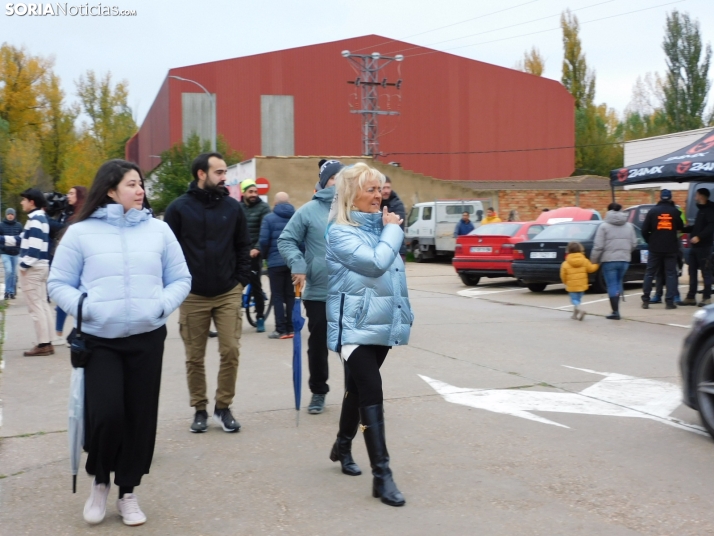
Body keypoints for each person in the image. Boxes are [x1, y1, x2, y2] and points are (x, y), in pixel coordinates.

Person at [48, 159, 191, 526]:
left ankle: (127, 491)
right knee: (107, 415)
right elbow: (57, 283)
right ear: (110, 189)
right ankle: (100, 480)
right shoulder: (81, 233)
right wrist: (85, 306)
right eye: (131, 184)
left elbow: (180, 278)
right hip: (101, 340)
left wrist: (160, 304)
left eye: (141, 183)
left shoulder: (159, 231)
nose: (140, 189)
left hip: (147, 338)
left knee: (139, 418)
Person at [325, 162, 413, 507]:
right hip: (353, 328)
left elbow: (392, 277)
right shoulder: (339, 232)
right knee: (371, 390)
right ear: (352, 194)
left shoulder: (382, 227)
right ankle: (383, 475)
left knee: (357, 389)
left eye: (380, 188)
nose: (379, 195)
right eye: (371, 189)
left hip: (382, 323)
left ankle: (342, 444)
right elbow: (376, 263)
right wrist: (393, 231)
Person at [164, 153, 252, 434]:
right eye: (219, 172)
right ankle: (200, 409)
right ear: (201, 174)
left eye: (225, 171)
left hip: (228, 292)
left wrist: (241, 281)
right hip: (192, 294)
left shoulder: (233, 208)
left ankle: (223, 407)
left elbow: (243, 246)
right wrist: (176, 285)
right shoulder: (178, 209)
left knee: (230, 350)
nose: (224, 177)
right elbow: (167, 251)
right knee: (194, 356)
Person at [278, 159, 343, 415]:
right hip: (319, 291)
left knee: (356, 347)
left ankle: (358, 393)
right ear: (325, 180)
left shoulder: (355, 208)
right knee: (318, 346)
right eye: (335, 177)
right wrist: (298, 264)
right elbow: (287, 240)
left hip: (352, 290)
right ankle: (318, 391)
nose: (340, 182)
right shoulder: (308, 210)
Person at [0, 189, 54, 356]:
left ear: (32, 202)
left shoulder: (36, 220)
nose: (22, 203)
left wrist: (23, 266)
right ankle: (48, 341)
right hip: (41, 267)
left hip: (34, 269)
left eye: (24, 200)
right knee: (42, 305)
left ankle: (43, 344)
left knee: (35, 307)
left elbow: (34, 249)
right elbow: (20, 239)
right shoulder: (39, 219)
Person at [51, 186, 87, 345]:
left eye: (72, 193)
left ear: (80, 196)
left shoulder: (82, 216)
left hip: (79, 261)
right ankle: (64, 334)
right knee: (65, 300)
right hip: (68, 260)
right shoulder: (68, 214)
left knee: (69, 301)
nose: (68, 196)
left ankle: (66, 334)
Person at [590, 203, 638, 320]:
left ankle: (615, 311)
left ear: (608, 211)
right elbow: (634, 244)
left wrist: (594, 260)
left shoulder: (603, 226)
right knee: (618, 282)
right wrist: (626, 252)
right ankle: (616, 308)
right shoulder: (629, 226)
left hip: (609, 260)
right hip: (624, 260)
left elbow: (598, 246)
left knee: (612, 284)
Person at [259, 192, 296, 339]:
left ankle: (280, 330)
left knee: (278, 296)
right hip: (292, 262)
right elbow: (302, 241)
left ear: (275, 203)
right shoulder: (296, 217)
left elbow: (263, 241)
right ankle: (291, 328)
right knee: (290, 296)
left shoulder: (269, 218)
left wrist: (265, 256)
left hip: (275, 263)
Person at [641, 189, 684, 310]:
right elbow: (680, 227)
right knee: (670, 274)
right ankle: (669, 302)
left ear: (660, 197)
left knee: (650, 273)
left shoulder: (652, 211)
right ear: (670, 198)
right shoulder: (675, 212)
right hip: (671, 247)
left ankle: (646, 300)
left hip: (655, 248)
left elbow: (644, 230)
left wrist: (650, 240)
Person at [239, 178, 271, 333]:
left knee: (256, 285)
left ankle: (259, 317)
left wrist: (257, 248)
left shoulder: (263, 208)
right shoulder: (237, 208)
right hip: (240, 252)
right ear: (243, 192)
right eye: (250, 191)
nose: (253, 194)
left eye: (255, 191)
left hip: (254, 254)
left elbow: (265, 231)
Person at [681, 188, 714, 306]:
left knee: (706, 271)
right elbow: (697, 227)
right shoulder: (701, 210)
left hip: (704, 247)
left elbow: (711, 227)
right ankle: (691, 297)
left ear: (701, 196)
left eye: (697, 194)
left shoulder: (710, 210)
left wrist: (699, 237)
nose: (695, 196)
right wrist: (684, 229)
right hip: (694, 247)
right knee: (692, 270)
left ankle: (707, 297)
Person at [560, 241, 599, 320]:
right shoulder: (585, 260)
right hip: (582, 285)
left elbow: (563, 275)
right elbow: (591, 269)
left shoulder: (565, 263)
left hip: (572, 286)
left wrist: (565, 282)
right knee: (578, 300)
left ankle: (580, 310)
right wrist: (597, 264)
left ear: (569, 250)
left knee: (574, 300)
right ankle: (575, 315)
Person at [380, 176, 407, 259]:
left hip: (397, 250)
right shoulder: (374, 203)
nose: (386, 191)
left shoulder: (397, 204)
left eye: (388, 187)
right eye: (383, 188)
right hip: (380, 249)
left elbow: (397, 225)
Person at [0, 208, 22, 300]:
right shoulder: (1, 226)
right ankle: (7, 291)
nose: (10, 215)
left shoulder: (19, 226)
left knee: (13, 273)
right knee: (8, 271)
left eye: (12, 214)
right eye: (8, 214)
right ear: (6, 215)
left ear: (14, 215)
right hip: (5, 252)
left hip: (16, 253)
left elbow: (23, 238)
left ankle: (12, 292)